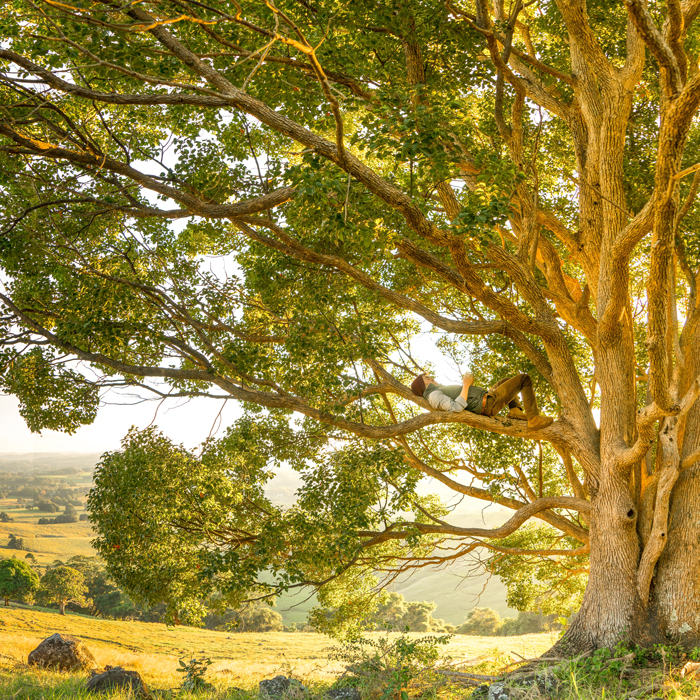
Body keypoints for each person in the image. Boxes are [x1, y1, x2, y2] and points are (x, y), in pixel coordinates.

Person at [409, 371, 554, 430]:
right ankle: (534, 419)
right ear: (424, 385)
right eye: (427, 378)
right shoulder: (433, 395)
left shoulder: (438, 390)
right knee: (524, 379)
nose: (431, 377)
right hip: (488, 404)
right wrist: (466, 385)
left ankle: (515, 410)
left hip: (487, 398)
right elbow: (456, 407)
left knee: (507, 381)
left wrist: (468, 386)